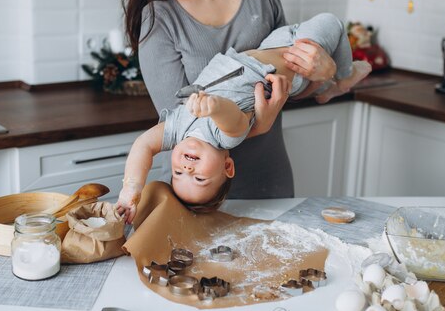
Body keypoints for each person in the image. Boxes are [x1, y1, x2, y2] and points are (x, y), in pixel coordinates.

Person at [122, 0, 338, 203]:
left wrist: (324, 74)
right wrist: (258, 126)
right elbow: (186, 127)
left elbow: (291, 83)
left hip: (270, 178)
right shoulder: (159, 19)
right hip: (198, 194)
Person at [116, 13, 372, 222]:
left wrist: (131, 189)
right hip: (295, 66)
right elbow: (233, 119)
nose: (187, 169)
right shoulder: (225, 139)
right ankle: (344, 78)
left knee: (315, 35)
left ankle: (325, 89)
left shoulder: (176, 131)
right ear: (227, 167)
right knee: (332, 22)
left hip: (269, 47)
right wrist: (212, 107)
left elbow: (144, 145)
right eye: (199, 178)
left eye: (178, 173)